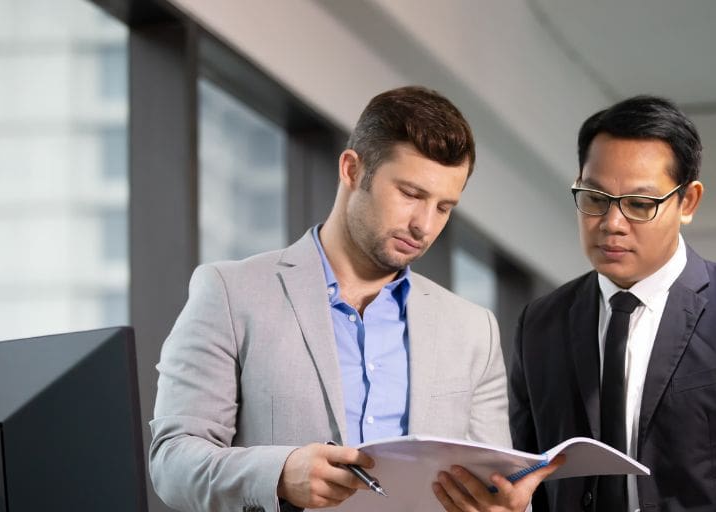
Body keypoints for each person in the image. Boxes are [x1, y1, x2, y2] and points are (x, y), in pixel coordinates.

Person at [149, 85, 556, 512]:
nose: (424, 225)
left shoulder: (474, 330)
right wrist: (279, 473)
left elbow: (496, 482)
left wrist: (506, 506)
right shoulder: (232, 293)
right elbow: (172, 460)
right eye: (411, 194)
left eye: (444, 207)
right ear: (351, 170)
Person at [508, 95, 716, 512]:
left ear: (688, 202)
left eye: (639, 204)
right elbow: (524, 478)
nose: (612, 224)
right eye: (595, 198)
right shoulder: (542, 323)